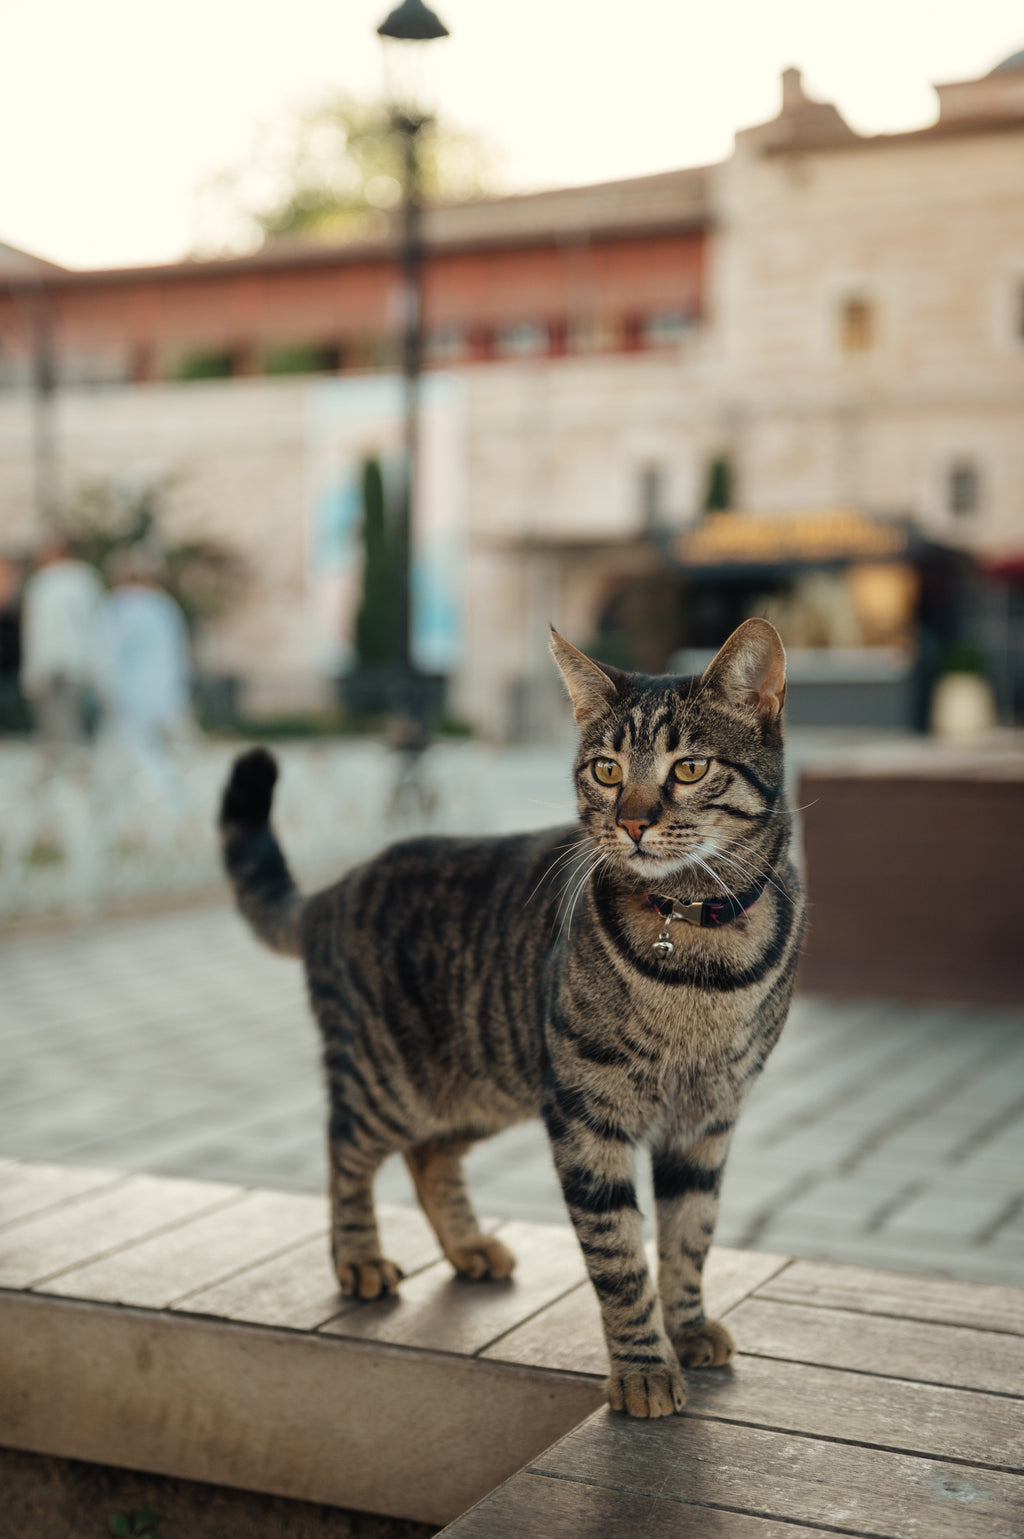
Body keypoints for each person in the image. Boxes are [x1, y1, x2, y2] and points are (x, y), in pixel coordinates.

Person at [103, 544, 193, 801]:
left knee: (142, 754)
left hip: (132, 694)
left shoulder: (122, 606)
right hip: (168, 691)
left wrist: (107, 688)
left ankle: (168, 806)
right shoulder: (165, 605)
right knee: (174, 752)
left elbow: (109, 652)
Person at [19, 534, 108, 760]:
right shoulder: (85, 579)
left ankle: (71, 769)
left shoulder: (44, 582)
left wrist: (31, 669)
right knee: (68, 721)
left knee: (60, 724)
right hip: (75, 661)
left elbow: (36, 631)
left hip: (53, 662)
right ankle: (71, 767)